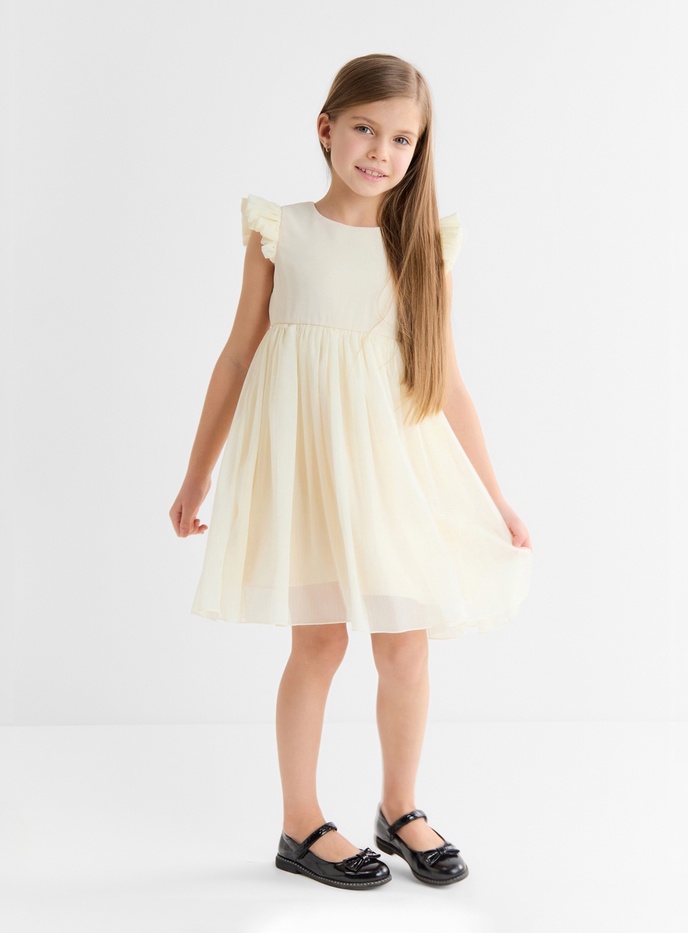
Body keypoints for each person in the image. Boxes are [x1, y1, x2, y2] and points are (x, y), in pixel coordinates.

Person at [169, 52, 533, 890]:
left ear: (419, 149)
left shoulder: (422, 245)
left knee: (405, 643)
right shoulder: (283, 230)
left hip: (392, 473)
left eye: (402, 139)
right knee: (321, 640)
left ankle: (399, 808)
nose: (381, 151)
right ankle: (300, 822)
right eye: (365, 129)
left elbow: (447, 381)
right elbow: (237, 356)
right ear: (326, 129)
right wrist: (196, 476)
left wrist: (497, 496)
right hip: (308, 470)